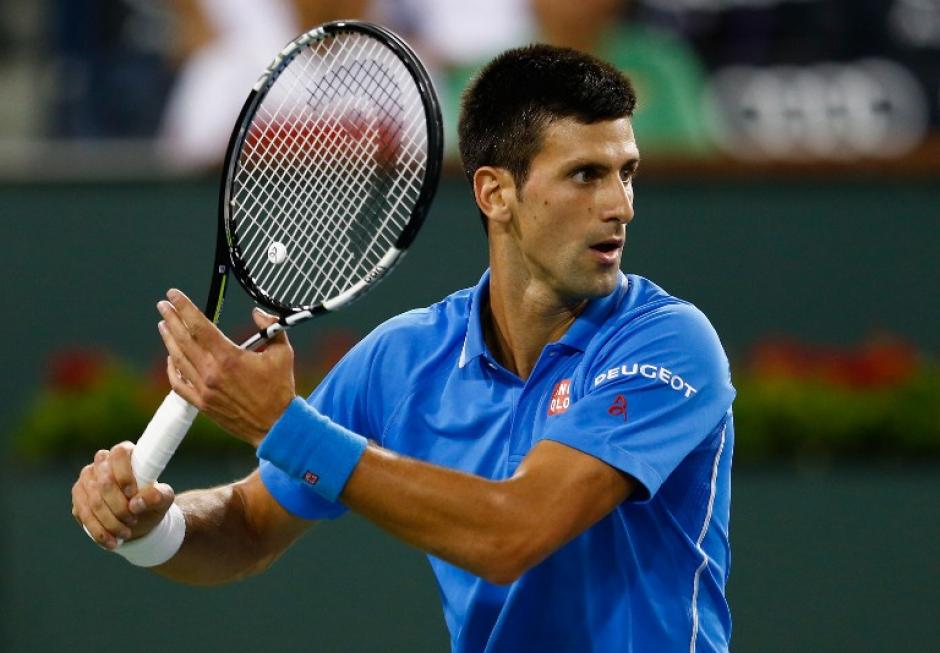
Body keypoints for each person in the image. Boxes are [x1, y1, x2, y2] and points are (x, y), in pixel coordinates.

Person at [72, 44, 735, 652]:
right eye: (586, 175)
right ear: (495, 193)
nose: (620, 205)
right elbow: (249, 523)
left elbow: (512, 533)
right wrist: (154, 528)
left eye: (626, 173)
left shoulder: (669, 343)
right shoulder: (404, 359)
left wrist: (286, 426)